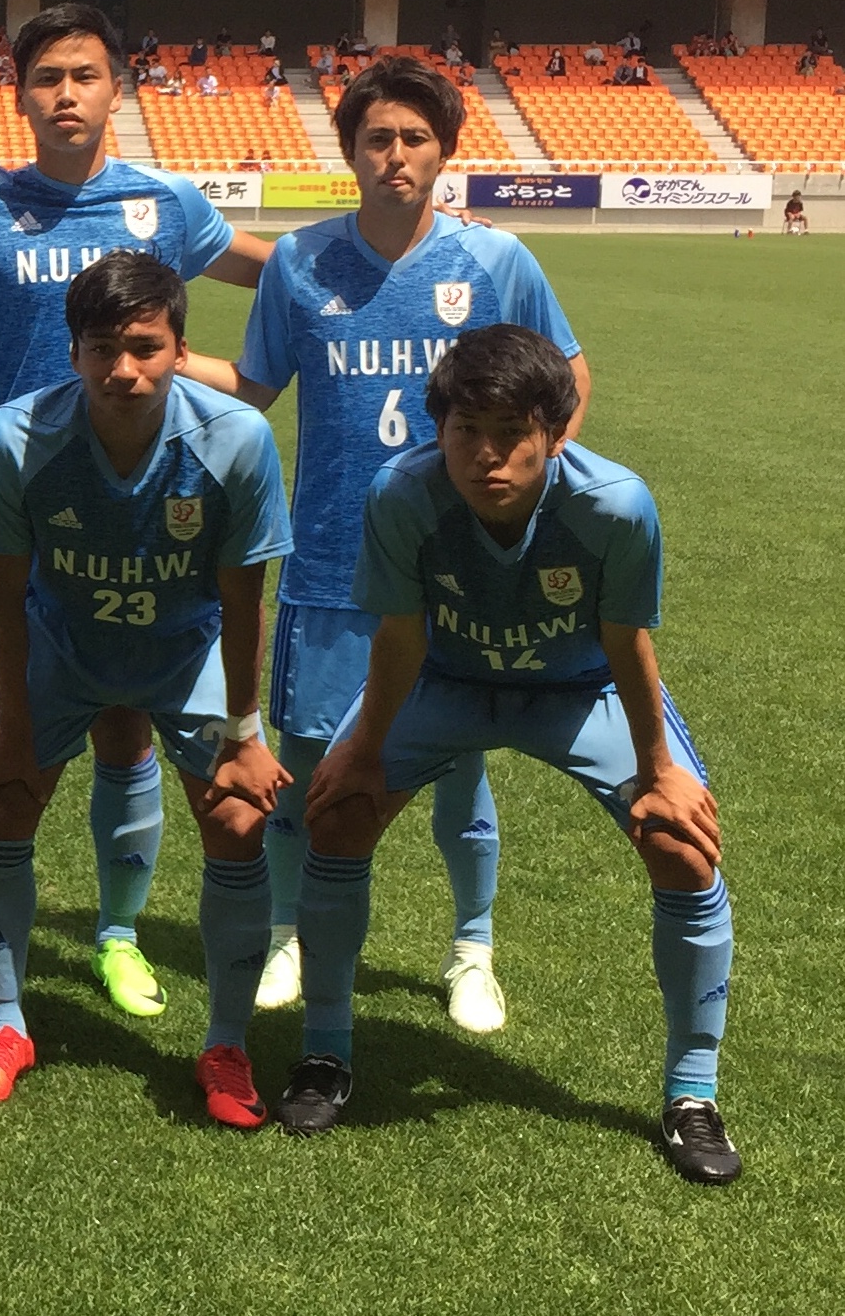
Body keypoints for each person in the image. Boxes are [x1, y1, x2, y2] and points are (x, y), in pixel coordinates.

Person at [272, 326, 740, 1186]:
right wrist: (364, 752)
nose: (487, 455)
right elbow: (400, 637)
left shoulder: (616, 505)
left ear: (554, 433)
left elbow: (626, 642)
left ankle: (692, 1091)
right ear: (439, 429)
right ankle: (325, 1051)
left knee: (682, 845)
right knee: (336, 814)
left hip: (578, 690)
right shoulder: (402, 493)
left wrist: (660, 770)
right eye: (466, 431)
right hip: (445, 680)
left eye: (512, 433)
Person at [182, 54, 591, 1033]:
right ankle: (289, 934)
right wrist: (155, 357)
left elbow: (568, 380)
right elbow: (256, 384)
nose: (395, 155)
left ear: (443, 151)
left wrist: (527, 490)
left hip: (458, 568)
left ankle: (471, 950)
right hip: (330, 559)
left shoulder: (497, 262)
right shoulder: (298, 262)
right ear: (350, 151)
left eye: (414, 138)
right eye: (377, 138)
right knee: (307, 767)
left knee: (460, 766)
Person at [0, 2, 275, 1011]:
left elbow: (281, 270)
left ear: (116, 89)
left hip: (136, 510)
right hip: (16, 498)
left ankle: (117, 932)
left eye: (84, 75)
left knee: (125, 726)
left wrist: (394, 246)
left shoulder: (164, 204)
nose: (66, 94)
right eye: (47, 77)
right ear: (17, 95)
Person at [0, 253, 292, 1118]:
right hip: (63, 645)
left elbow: (243, 599)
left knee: (237, 817)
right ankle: (5, 1022)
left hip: (185, 650)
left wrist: (245, 731)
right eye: (103, 348)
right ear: (73, 352)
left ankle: (226, 1044)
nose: (124, 368)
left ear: (180, 349)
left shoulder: (237, 438)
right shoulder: (15, 437)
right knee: (2, 798)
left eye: (145, 346)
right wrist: (14, 723)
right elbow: (2, 595)